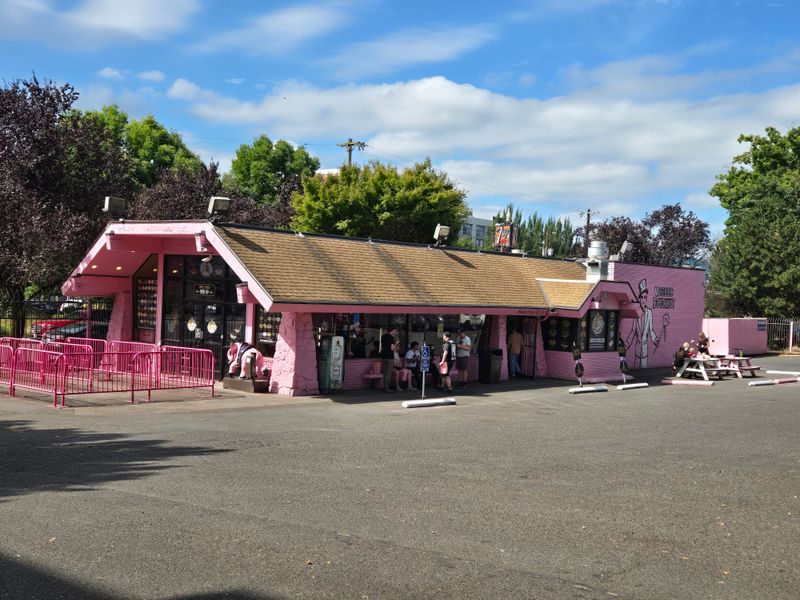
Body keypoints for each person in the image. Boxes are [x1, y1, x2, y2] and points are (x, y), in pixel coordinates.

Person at [380, 327, 400, 392]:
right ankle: (387, 388)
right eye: (395, 331)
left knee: (385, 373)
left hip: (383, 356)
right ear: (392, 330)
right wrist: (396, 343)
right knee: (388, 373)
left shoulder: (383, 336)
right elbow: (392, 349)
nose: (395, 332)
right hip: (389, 356)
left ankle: (384, 387)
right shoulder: (391, 337)